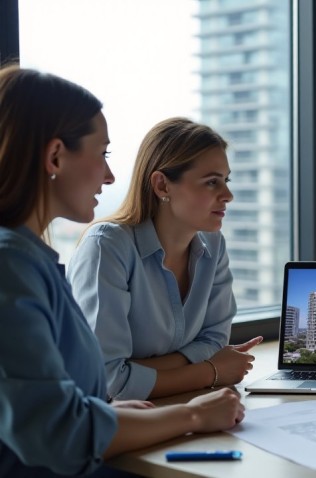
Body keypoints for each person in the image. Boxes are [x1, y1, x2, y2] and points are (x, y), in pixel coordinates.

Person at [0, 65, 244, 476]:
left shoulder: (31, 260)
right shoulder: (11, 267)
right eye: (102, 153)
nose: (111, 175)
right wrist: (193, 415)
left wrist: (104, 411)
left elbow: (63, 398)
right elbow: (61, 433)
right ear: (56, 156)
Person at [67, 117, 263, 401]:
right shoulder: (107, 247)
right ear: (162, 186)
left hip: (173, 404)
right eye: (211, 182)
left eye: (226, 180)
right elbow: (107, 382)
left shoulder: (214, 245)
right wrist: (211, 372)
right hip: (115, 424)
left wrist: (139, 372)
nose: (228, 195)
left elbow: (215, 340)